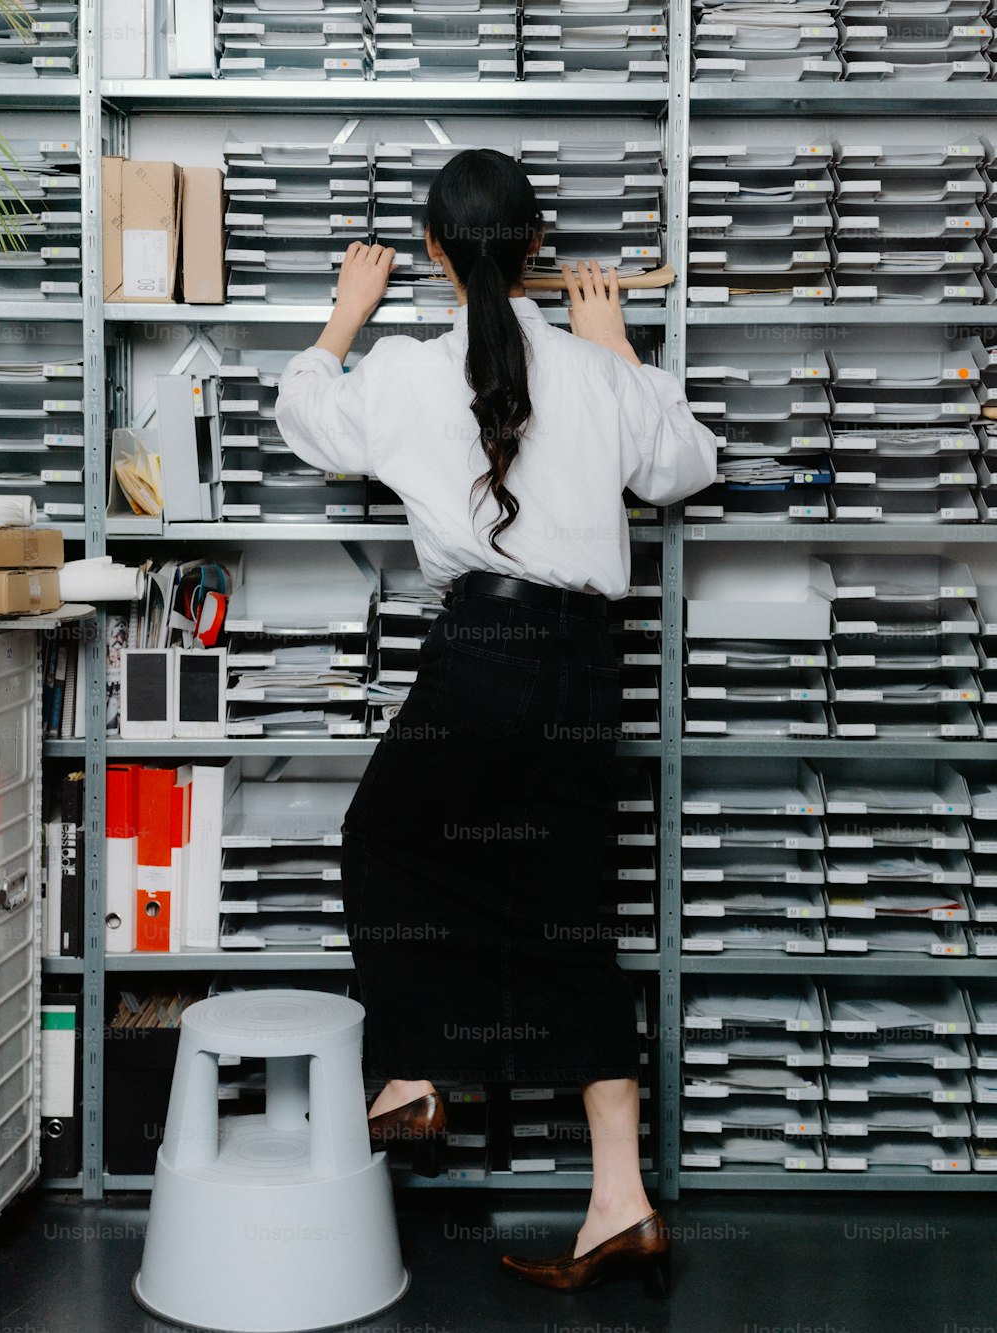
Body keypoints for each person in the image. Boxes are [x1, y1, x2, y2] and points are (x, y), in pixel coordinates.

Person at [274, 147, 717, 1297]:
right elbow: (683, 470)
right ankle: (620, 1205)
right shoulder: (593, 365)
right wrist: (617, 343)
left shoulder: (405, 370)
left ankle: (413, 1075)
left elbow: (305, 419)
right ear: (534, 253)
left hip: (483, 650)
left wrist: (343, 316)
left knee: (382, 840)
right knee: (572, 918)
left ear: (433, 253)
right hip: (584, 666)